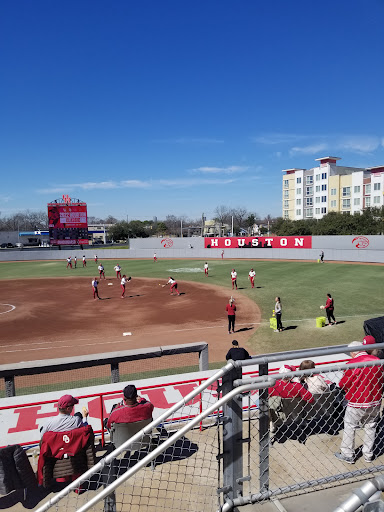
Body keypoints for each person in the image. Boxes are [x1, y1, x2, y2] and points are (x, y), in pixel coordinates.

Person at [334, 341, 384, 464]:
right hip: (375, 400)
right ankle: (368, 454)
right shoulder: (376, 360)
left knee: (350, 426)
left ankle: (348, 454)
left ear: (352, 352)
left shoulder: (352, 364)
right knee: (370, 426)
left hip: (357, 401)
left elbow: (342, 384)